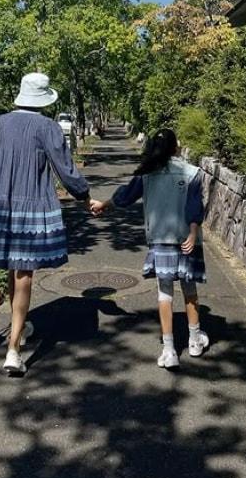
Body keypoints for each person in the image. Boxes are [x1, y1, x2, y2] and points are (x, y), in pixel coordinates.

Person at [0, 72, 91, 375]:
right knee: (25, 274)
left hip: (3, 205)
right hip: (33, 208)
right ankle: (14, 349)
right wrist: (85, 197)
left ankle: (18, 329)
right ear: (44, 100)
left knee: (13, 269)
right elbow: (65, 168)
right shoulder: (48, 128)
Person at [90, 129, 209, 369]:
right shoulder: (192, 173)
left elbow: (125, 196)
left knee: (164, 294)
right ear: (175, 147)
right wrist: (193, 232)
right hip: (186, 238)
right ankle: (195, 340)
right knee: (190, 290)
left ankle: (169, 350)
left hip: (160, 239)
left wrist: (103, 204)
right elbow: (195, 205)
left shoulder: (147, 174)